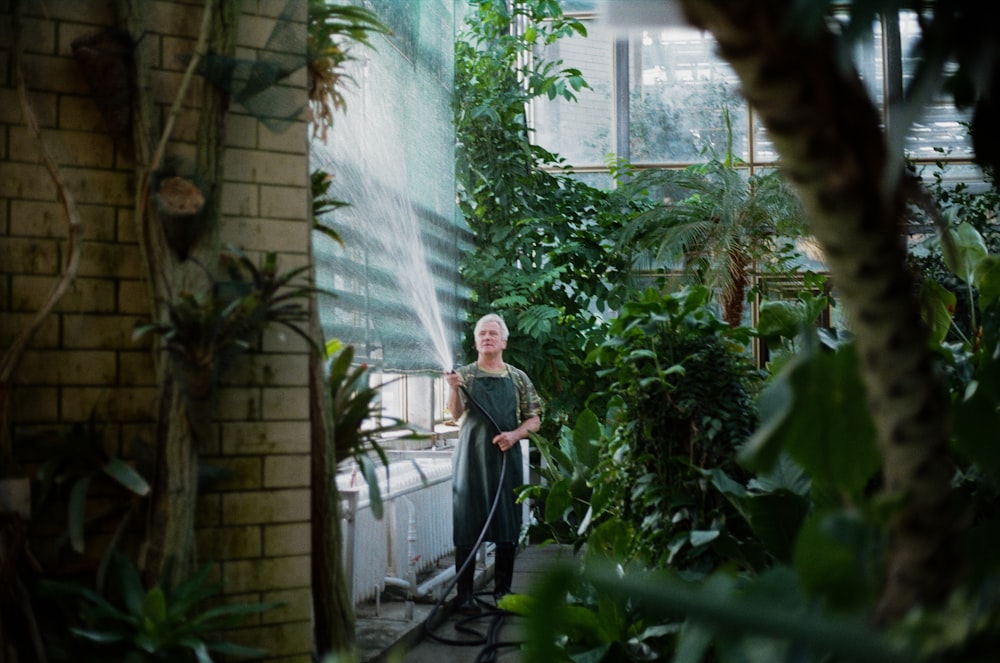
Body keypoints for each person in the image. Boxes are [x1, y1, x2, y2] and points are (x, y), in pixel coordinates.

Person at [444, 313, 542, 614]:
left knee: (507, 524)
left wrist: (514, 435)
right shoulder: (464, 375)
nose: (487, 337)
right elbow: (454, 415)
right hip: (471, 462)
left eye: (492, 333)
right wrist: (452, 388)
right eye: (482, 334)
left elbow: (535, 418)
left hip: (505, 460)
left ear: (504, 341)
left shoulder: (518, 377)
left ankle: (503, 592)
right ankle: (465, 596)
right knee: (467, 523)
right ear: (475, 341)